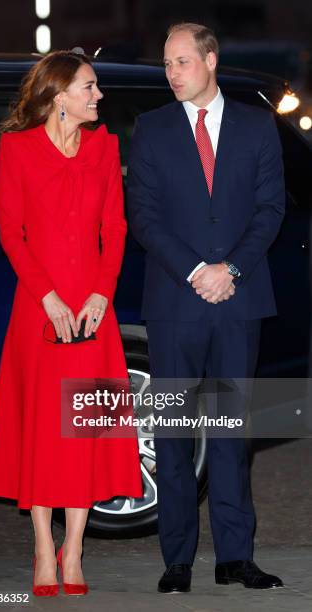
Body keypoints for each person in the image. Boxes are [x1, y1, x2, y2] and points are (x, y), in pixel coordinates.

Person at [127, 23, 285, 593]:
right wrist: (197, 272)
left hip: (238, 302)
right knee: (172, 433)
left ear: (211, 60)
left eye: (182, 61)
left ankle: (235, 558)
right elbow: (144, 216)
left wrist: (230, 270)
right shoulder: (151, 129)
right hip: (174, 302)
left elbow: (270, 210)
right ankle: (177, 560)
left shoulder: (257, 125)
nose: (172, 73)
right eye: (167, 63)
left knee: (229, 433)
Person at [0, 49, 143, 597]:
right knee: (44, 432)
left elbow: (116, 230)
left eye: (96, 87)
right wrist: (48, 297)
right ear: (59, 97)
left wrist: (101, 293)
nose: (98, 96)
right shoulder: (17, 149)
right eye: (90, 87)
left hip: (94, 310)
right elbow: (11, 233)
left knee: (85, 431)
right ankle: (43, 550)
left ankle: (74, 549)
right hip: (39, 309)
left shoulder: (105, 148)